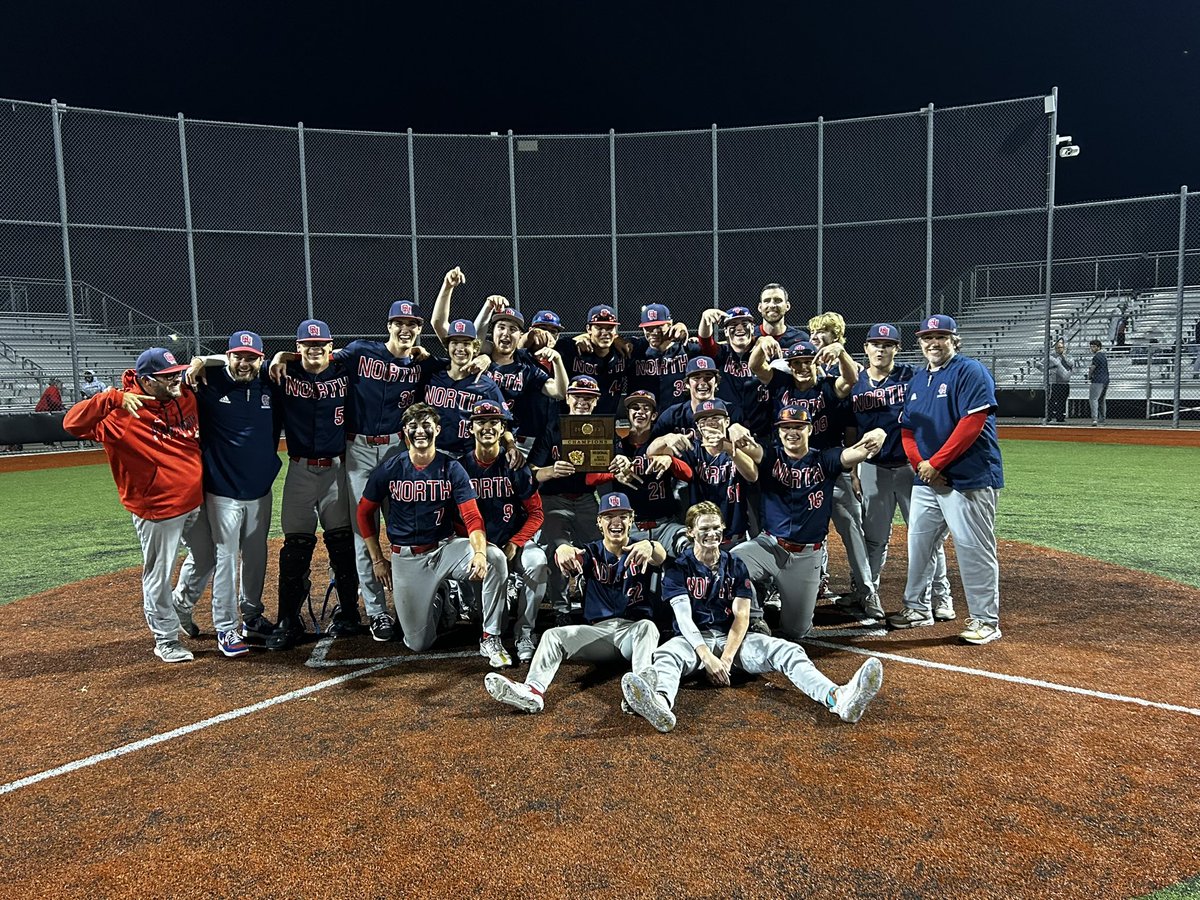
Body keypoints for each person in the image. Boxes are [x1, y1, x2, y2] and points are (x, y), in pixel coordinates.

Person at [620, 502, 884, 733]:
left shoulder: (734, 564)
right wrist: (708, 658)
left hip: (732, 643)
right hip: (693, 642)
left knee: (788, 650)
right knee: (666, 655)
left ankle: (838, 698)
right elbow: (685, 620)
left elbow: (742, 616)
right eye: (704, 529)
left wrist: (725, 658)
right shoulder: (679, 569)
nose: (711, 534)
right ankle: (660, 704)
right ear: (691, 533)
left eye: (716, 528)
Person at [62, 348, 215, 663]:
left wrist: (201, 362)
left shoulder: (183, 395)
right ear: (146, 381)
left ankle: (181, 606)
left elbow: (229, 361)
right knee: (158, 574)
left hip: (193, 500)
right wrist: (113, 399)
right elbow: (71, 423)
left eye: (177, 373)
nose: (176, 379)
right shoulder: (120, 416)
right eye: (168, 377)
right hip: (157, 510)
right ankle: (166, 639)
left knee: (207, 555)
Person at [356, 402, 511, 666]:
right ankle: (441, 599)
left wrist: (480, 552)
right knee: (418, 643)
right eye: (414, 426)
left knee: (496, 558)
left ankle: (490, 636)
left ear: (437, 430)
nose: (420, 431)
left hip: (445, 549)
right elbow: (363, 513)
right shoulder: (391, 468)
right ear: (405, 430)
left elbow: (472, 516)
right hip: (407, 558)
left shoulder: (451, 468)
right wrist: (378, 560)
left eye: (426, 425)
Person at [482, 492, 667, 714]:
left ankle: (642, 694)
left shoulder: (642, 548)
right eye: (609, 516)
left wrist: (651, 545)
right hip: (599, 633)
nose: (616, 522)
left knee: (648, 627)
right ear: (599, 522)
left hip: (634, 632)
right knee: (552, 635)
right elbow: (570, 555)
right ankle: (533, 691)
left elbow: (661, 556)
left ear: (632, 519)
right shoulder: (592, 551)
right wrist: (562, 549)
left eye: (623, 516)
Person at [885, 315, 1004, 645]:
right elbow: (908, 429)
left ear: (954, 339)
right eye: (927, 337)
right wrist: (921, 464)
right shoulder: (918, 379)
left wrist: (936, 463)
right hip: (926, 480)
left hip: (968, 478)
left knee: (973, 549)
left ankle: (985, 620)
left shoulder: (970, 371)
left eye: (940, 336)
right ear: (920, 343)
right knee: (919, 546)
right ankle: (917, 609)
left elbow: (972, 423)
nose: (933, 342)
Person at [731, 405, 887, 640]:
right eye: (786, 428)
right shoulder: (771, 455)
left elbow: (856, 452)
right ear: (779, 432)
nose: (791, 432)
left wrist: (879, 434)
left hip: (806, 556)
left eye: (798, 427)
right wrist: (733, 428)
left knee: (797, 631)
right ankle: (755, 617)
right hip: (769, 546)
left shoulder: (825, 459)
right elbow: (745, 444)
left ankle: (780, 601)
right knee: (731, 563)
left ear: (810, 429)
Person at [265, 319, 361, 649]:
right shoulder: (283, 373)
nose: (315, 350)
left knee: (342, 545)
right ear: (299, 348)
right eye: (308, 345)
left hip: (336, 469)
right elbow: (238, 363)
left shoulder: (344, 370)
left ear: (331, 348)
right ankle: (288, 620)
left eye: (321, 345)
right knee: (295, 548)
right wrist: (280, 356)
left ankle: (350, 614)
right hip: (300, 470)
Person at [849, 324, 953, 621]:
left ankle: (941, 596)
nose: (881, 349)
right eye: (875, 344)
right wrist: (855, 471)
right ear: (866, 348)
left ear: (897, 348)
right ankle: (868, 593)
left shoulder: (912, 377)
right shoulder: (856, 382)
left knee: (927, 536)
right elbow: (852, 430)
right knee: (874, 539)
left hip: (911, 469)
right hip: (873, 468)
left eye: (888, 344)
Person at [458, 400, 546, 664]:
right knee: (474, 613)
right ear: (470, 428)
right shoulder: (459, 467)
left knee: (538, 562)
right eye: (480, 422)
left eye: (494, 422)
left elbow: (537, 513)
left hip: (512, 543)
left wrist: (517, 542)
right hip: (474, 548)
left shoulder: (515, 466)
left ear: (502, 428)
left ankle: (525, 634)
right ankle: (457, 603)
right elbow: (454, 519)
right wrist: (480, 548)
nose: (487, 427)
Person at [1045, 338, 1073, 423]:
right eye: (1057, 348)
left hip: (1065, 382)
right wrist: (1048, 371)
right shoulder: (1052, 358)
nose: (1058, 349)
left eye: (1060, 347)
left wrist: (1063, 356)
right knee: (1053, 400)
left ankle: (1060, 417)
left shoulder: (1068, 357)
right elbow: (1042, 365)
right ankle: (1049, 416)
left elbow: (1071, 364)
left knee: (1062, 400)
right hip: (1055, 382)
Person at [1087, 339, 1110, 425]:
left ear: (1098, 347)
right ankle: (1102, 418)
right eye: (1091, 347)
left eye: (1093, 347)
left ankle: (1094, 418)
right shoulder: (1103, 356)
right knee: (1101, 399)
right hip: (1105, 380)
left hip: (1097, 380)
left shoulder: (1096, 357)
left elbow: (1092, 368)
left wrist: (1089, 376)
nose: (1091, 349)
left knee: (1093, 399)